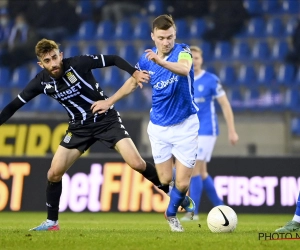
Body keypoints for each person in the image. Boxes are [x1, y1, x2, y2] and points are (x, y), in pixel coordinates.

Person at [0, 38, 194, 231]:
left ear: (61, 55)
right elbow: (14, 105)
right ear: (40, 64)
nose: (53, 63)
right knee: (53, 173)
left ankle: (177, 196)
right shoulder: (40, 82)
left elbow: (114, 59)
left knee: (137, 163)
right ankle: (52, 222)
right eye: (47, 61)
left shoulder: (78, 64)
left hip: (106, 121)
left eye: (54, 57)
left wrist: (133, 72)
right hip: (78, 129)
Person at [91, 14, 199, 232]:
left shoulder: (183, 51)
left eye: (170, 37)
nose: (166, 42)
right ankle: (181, 202)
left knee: (184, 183)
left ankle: (170, 213)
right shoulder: (145, 60)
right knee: (165, 178)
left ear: (175, 34)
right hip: (159, 127)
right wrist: (109, 101)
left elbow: (185, 69)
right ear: (153, 36)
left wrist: (160, 61)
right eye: (161, 38)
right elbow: (132, 83)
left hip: (186, 124)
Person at [180, 45, 239, 221]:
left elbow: (225, 104)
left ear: (201, 60)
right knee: (202, 172)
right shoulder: (183, 79)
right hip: (190, 131)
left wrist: (232, 130)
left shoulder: (211, 80)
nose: (195, 61)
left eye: (197, 58)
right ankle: (222, 208)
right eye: (192, 58)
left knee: (194, 168)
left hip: (206, 130)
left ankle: (192, 213)